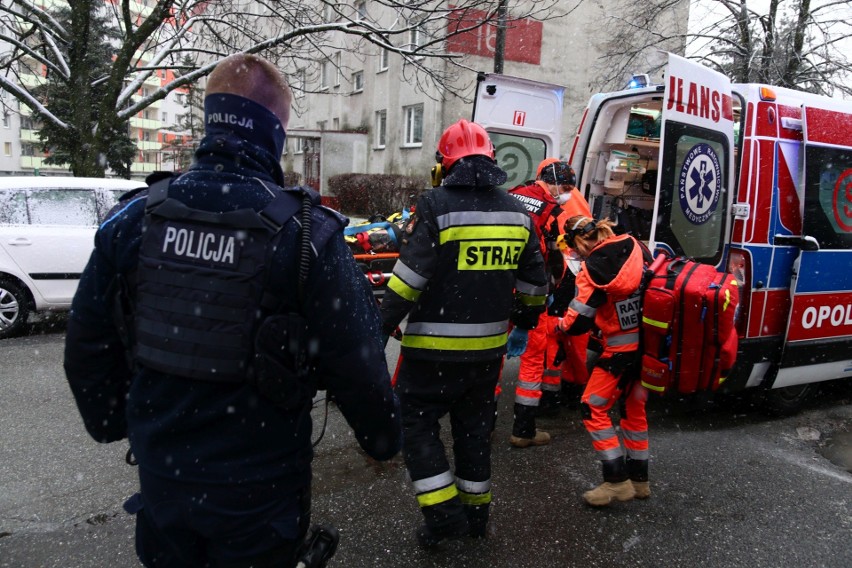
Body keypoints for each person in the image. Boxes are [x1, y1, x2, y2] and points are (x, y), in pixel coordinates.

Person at [63, 53, 402, 568]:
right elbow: (358, 361)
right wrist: (381, 439)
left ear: (211, 119)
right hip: (260, 489)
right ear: (275, 131)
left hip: (165, 477)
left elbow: (88, 346)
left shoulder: (134, 220)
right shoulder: (307, 233)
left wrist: (120, 424)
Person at [380, 118, 547, 547]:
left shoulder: (436, 206)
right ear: (492, 159)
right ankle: (475, 522)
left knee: (416, 429)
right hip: (486, 356)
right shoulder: (517, 211)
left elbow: (406, 282)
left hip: (430, 356)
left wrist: (377, 328)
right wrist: (523, 320)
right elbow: (535, 286)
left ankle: (443, 519)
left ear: (444, 164)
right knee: (473, 434)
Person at [556, 216, 652, 507]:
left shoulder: (592, 269)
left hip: (619, 353)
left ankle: (616, 481)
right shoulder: (637, 248)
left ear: (580, 242)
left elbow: (577, 324)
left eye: (574, 249)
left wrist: (559, 325)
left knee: (592, 407)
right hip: (648, 347)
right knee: (633, 410)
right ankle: (639, 480)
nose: (575, 255)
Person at [507, 159, 591, 447]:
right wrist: (554, 287)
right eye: (566, 187)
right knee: (533, 358)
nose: (567, 193)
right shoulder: (548, 209)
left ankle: (485, 423)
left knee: (491, 361)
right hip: (531, 293)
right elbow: (554, 256)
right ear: (554, 182)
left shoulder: (512, 195)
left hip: (499, 290)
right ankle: (523, 430)